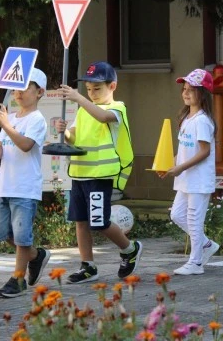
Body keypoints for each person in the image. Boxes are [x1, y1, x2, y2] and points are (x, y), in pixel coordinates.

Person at [55, 61, 141, 283]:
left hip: (100, 175)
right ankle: (87, 266)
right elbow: (75, 137)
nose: (91, 93)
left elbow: (103, 118)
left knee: (99, 221)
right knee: (80, 221)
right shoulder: (84, 110)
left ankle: (129, 249)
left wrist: (79, 99)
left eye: (97, 88)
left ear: (112, 86)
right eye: (89, 89)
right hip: (80, 174)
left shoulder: (117, 108)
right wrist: (64, 134)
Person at [0, 68, 51, 297]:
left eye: (25, 88)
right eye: (16, 88)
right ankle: (36, 256)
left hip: (25, 187)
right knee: (1, 233)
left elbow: (25, 145)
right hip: (5, 186)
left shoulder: (37, 120)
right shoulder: (11, 118)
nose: (18, 92)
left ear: (39, 92)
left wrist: (6, 126)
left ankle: (18, 278)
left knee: (22, 236)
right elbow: (2, 147)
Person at [158, 69, 219, 275]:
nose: (186, 93)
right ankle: (207, 245)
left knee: (194, 219)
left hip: (199, 180)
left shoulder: (202, 120)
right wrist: (170, 166)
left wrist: (180, 168)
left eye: (191, 90)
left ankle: (196, 263)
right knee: (177, 215)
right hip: (186, 178)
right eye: (184, 89)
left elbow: (204, 151)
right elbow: (184, 151)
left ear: (203, 94)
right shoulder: (186, 118)